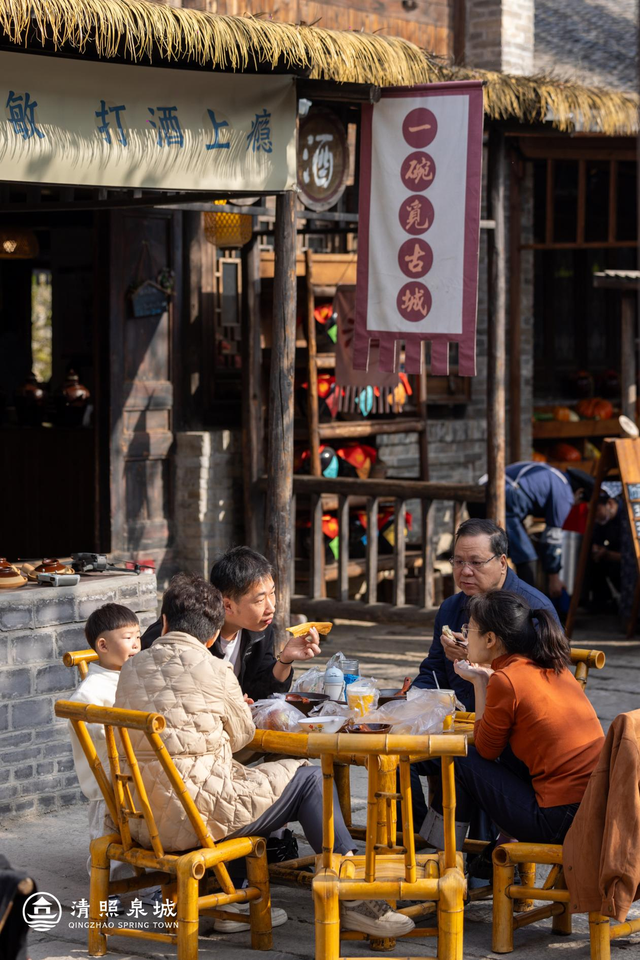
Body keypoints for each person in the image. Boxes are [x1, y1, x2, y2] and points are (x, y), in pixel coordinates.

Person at [118, 573, 414, 939]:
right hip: (194, 818)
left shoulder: (131, 667)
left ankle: (231, 900)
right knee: (305, 779)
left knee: (239, 778)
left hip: (139, 817)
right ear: (212, 635)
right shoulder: (216, 668)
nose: (270, 604)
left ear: (163, 623)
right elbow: (244, 735)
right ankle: (352, 896)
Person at [420, 590, 605, 856]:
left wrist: (480, 682)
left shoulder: (506, 679)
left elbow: (485, 750)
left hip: (557, 819)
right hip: (591, 809)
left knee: (460, 759)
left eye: (469, 628)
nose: (465, 634)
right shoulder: (553, 664)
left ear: (491, 638)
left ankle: (440, 858)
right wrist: (484, 679)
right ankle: (464, 856)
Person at [409, 518, 559, 843]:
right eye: (458, 561)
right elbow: (432, 669)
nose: (465, 571)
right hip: (456, 723)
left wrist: (478, 662)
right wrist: (409, 704)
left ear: (502, 562)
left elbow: (537, 690)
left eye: (476, 562)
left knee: (469, 760)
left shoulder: (530, 610)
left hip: (511, 741)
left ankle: (464, 856)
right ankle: (417, 839)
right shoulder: (452, 608)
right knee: (391, 752)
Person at [67, 603, 159, 911]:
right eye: (127, 637)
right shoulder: (90, 691)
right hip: (108, 780)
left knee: (148, 832)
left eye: (137, 637)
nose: (136, 644)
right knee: (106, 837)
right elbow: (91, 728)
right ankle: (105, 889)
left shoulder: (135, 676)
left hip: (138, 773)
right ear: (102, 645)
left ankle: (150, 888)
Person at [141, 547, 320, 702]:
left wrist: (285, 659)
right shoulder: (185, 629)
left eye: (272, 593)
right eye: (259, 600)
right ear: (227, 605)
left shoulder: (261, 630)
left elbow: (263, 694)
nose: (271, 607)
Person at [504, 461, 574, 597]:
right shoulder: (565, 491)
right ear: (580, 492)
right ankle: (527, 610)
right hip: (503, 498)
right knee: (527, 557)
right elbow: (552, 538)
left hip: (497, 493)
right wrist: (554, 578)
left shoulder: (550, 472)